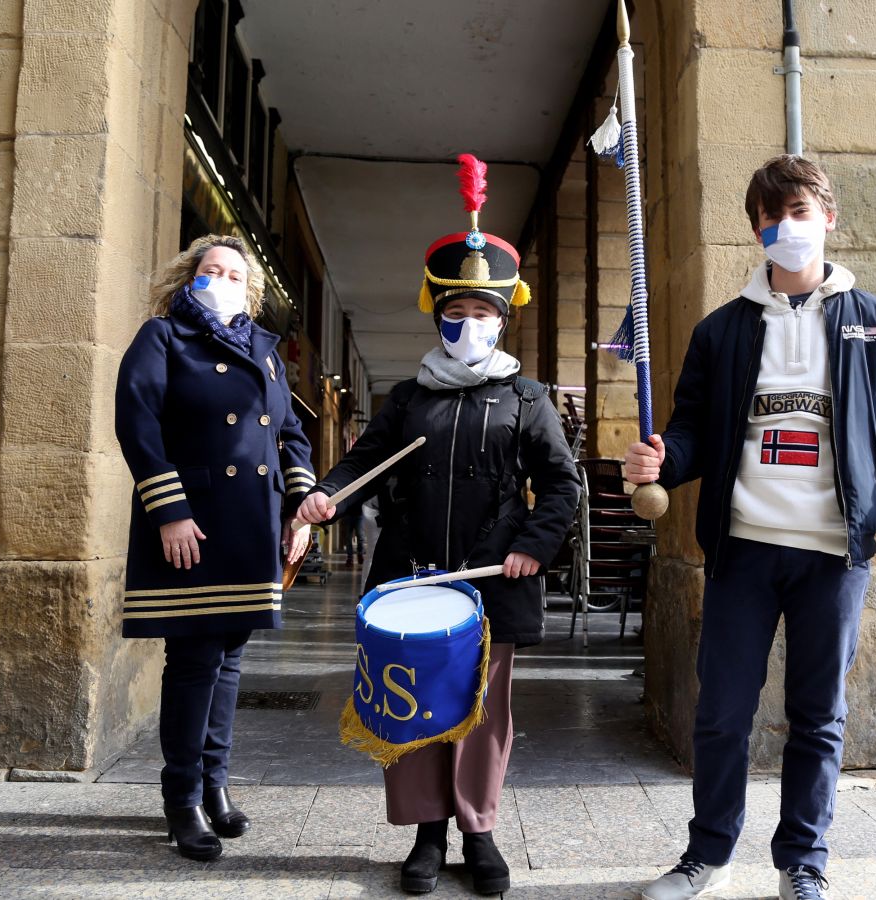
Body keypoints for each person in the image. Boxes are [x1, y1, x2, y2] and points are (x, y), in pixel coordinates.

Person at [630, 155, 876, 900]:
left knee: (817, 716)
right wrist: (661, 460)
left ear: (828, 217)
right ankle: (705, 853)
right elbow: (694, 431)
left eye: (799, 210)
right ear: (755, 231)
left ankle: (803, 861)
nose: (786, 227)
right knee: (720, 713)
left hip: (832, 556)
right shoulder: (721, 332)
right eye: (770, 216)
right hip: (742, 550)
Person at [296, 155, 579, 895]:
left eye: (482, 313)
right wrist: (327, 498)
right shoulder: (406, 399)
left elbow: (560, 484)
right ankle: (426, 835)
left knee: (482, 713)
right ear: (438, 315)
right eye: (455, 313)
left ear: (501, 318)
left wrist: (529, 548)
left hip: (491, 578)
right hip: (410, 576)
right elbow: (362, 464)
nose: (468, 325)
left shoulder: (527, 399)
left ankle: (479, 832)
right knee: (416, 706)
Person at [115, 234, 315, 862]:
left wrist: (300, 507)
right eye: (212, 270)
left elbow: (290, 432)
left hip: (251, 523)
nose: (223, 279)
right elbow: (137, 422)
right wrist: (168, 511)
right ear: (189, 277)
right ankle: (182, 799)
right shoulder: (163, 337)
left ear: (248, 290)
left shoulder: (265, 349)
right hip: (194, 522)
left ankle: (214, 782)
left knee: (230, 657)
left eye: (235, 273)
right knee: (196, 657)